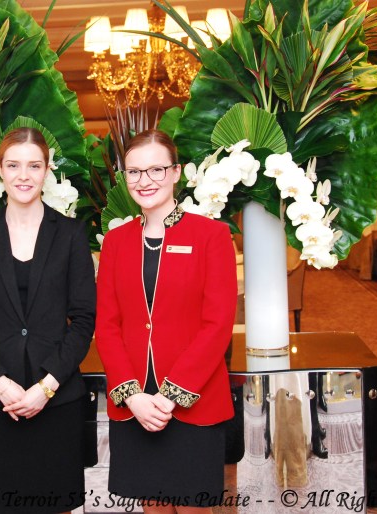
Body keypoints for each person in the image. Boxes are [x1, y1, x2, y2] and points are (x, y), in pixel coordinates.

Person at [0, 127, 96, 514]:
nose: (24, 175)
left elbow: (84, 320)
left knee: (58, 506)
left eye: (34, 165)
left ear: (47, 171)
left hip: (58, 397)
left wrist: (45, 388)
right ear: (0, 170)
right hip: (0, 401)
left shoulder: (70, 234)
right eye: (14, 165)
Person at [95, 129, 238, 513]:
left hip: (193, 399)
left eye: (156, 169)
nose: (145, 180)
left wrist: (170, 395)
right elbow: (106, 325)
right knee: (152, 505)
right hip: (136, 402)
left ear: (176, 172)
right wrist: (133, 396)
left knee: (193, 507)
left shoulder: (212, 236)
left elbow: (218, 325)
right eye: (134, 172)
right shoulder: (116, 242)